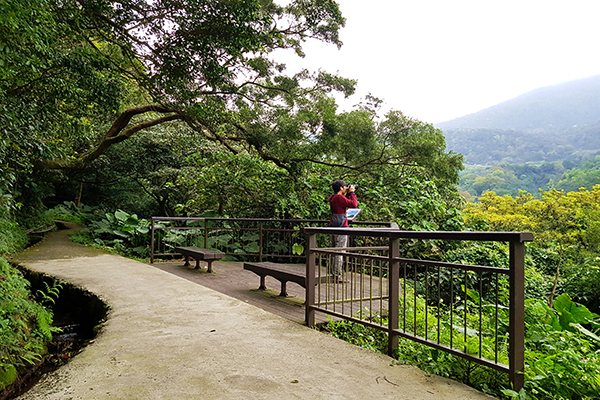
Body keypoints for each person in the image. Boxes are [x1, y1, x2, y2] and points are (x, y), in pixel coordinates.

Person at [328, 180, 358, 281]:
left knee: (334, 251)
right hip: (342, 227)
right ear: (341, 188)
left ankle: (333, 273)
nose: (346, 188)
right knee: (339, 251)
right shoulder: (339, 197)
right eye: (345, 186)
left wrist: (349, 193)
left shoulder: (332, 197)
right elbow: (354, 204)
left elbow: (345, 204)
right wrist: (352, 193)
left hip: (333, 225)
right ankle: (337, 275)